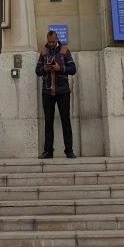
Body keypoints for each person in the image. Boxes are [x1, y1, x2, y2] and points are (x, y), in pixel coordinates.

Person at [35, 30, 77, 158]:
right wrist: (44, 69)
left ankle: (69, 150)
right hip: (47, 91)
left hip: (62, 90)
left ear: (57, 39)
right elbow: (37, 71)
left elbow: (73, 69)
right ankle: (48, 151)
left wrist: (61, 69)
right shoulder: (43, 52)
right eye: (49, 41)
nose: (51, 43)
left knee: (65, 121)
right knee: (48, 122)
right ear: (47, 40)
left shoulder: (64, 51)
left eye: (53, 41)